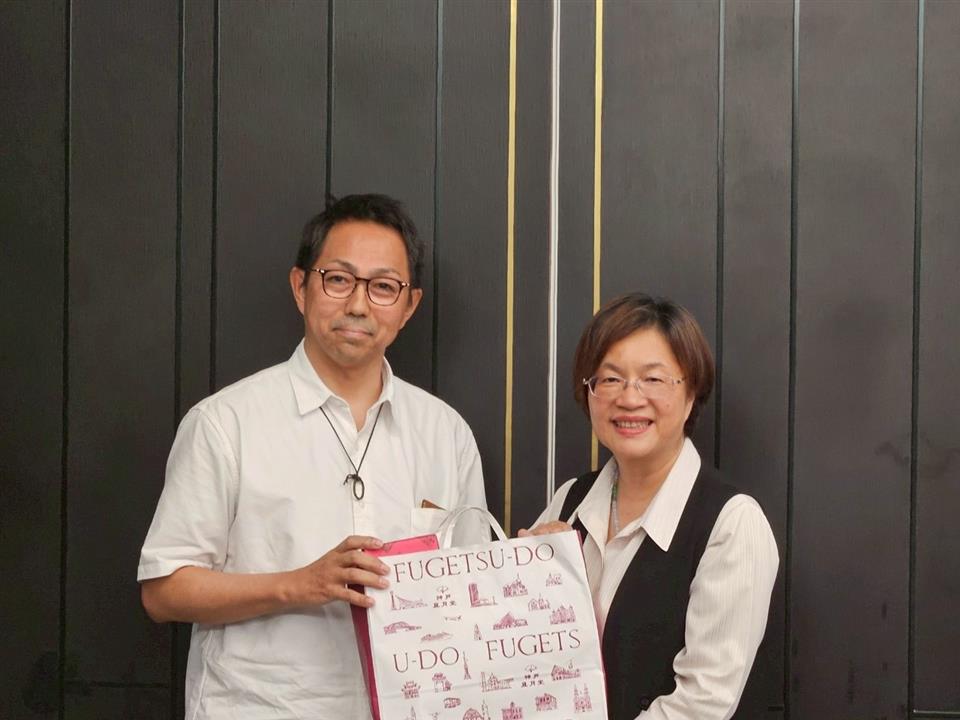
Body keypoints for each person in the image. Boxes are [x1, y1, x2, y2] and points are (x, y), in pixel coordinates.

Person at [138, 194, 488, 719]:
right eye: (338, 279)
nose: (358, 305)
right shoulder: (226, 422)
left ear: (409, 306)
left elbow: (471, 591)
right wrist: (300, 584)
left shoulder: (446, 433)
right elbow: (164, 591)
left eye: (383, 287)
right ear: (300, 287)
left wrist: (545, 564)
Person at [519, 293, 778, 720]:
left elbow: (702, 703)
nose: (629, 398)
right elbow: (521, 656)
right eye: (610, 379)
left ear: (691, 393)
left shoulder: (732, 523)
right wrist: (528, 581)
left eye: (653, 379)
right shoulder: (569, 500)